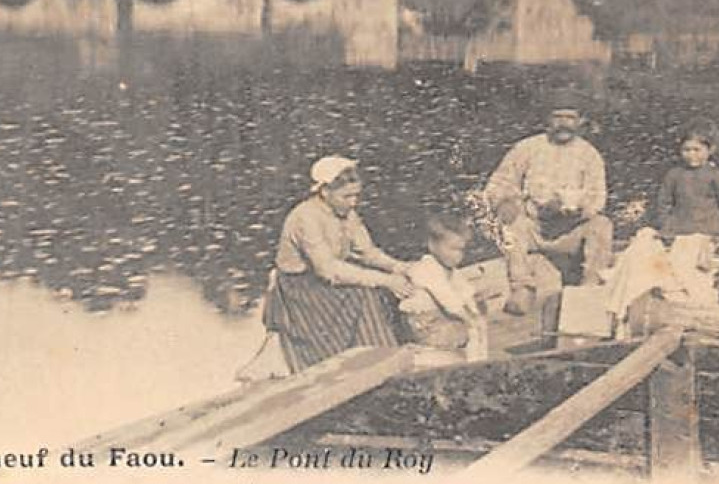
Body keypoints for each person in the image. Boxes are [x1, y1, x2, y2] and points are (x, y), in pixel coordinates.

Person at [262, 155, 413, 373]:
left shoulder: (347, 213)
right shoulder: (305, 217)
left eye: (356, 196)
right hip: (300, 289)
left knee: (382, 293)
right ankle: (377, 363)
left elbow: (367, 252)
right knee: (364, 295)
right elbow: (328, 270)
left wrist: (399, 268)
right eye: (346, 196)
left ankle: (382, 354)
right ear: (325, 192)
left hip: (323, 282)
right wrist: (385, 280)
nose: (353, 202)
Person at [483, 94, 613, 316]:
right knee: (512, 223)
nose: (563, 123)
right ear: (547, 120)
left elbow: (598, 198)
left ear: (580, 121)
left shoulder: (589, 155)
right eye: (557, 116)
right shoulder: (528, 147)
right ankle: (522, 287)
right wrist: (504, 201)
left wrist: (577, 209)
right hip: (534, 228)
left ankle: (589, 289)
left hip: (569, 231)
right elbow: (498, 183)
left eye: (570, 117)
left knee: (602, 225)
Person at [399, 214, 489, 361]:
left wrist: (475, 306)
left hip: (439, 320)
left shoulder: (451, 271)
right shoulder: (425, 269)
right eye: (452, 249)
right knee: (472, 326)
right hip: (424, 327)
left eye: (461, 250)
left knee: (478, 319)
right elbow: (450, 302)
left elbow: (466, 292)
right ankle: (475, 365)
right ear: (432, 245)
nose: (458, 256)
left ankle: (479, 362)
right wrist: (472, 319)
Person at [656, 122, 719, 238]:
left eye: (697, 150)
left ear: (710, 150)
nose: (691, 154)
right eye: (686, 150)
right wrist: (666, 225)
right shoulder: (674, 175)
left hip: (711, 233)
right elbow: (664, 203)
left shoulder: (718, 176)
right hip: (680, 232)